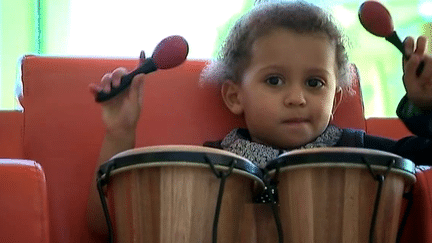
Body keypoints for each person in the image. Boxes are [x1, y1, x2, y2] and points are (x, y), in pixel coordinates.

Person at [86, 0, 432, 238]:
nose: (297, 97)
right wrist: (120, 131)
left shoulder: (362, 153)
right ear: (235, 96)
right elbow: (106, 225)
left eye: (314, 83)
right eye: (274, 80)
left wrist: (426, 106)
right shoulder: (212, 164)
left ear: (335, 98)